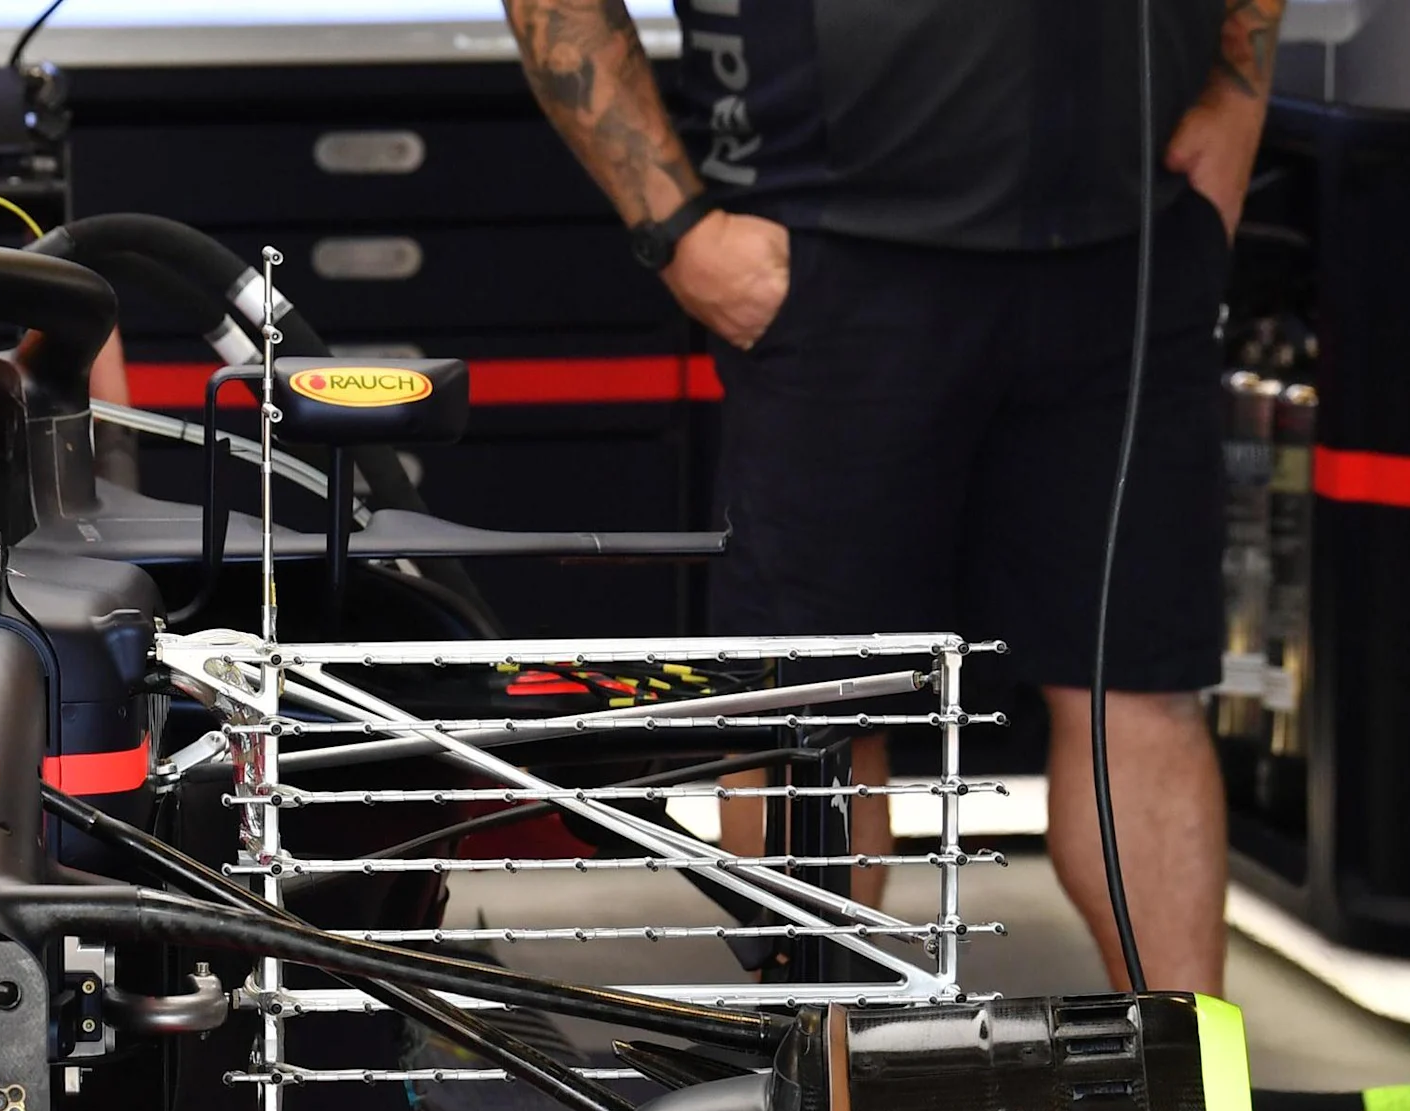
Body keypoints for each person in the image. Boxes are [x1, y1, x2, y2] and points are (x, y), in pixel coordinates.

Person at [503, 0, 1281, 997]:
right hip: (833, 253)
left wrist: (1235, 88)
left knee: (1142, 689)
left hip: (1120, 254)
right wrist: (676, 229)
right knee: (812, 706)